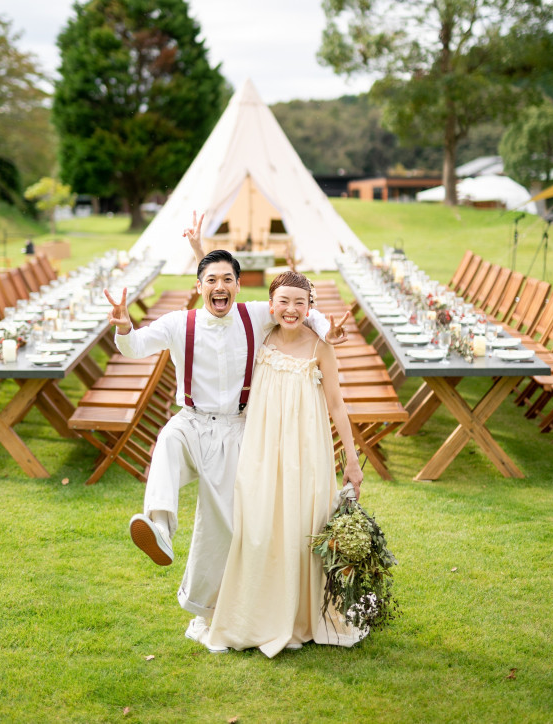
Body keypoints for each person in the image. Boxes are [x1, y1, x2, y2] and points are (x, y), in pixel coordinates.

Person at [104, 239, 349, 650]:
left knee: (223, 527)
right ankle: (160, 528)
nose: (220, 285)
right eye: (212, 279)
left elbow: (303, 309)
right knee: (165, 442)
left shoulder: (254, 315)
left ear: (238, 286)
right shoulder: (177, 324)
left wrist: (326, 329)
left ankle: (214, 608)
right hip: (191, 421)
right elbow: (135, 347)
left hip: (236, 430)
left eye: (228, 279)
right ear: (199, 285)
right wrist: (123, 324)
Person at [206, 270, 365, 657]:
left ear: (311, 307)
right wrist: (201, 256)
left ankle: (301, 615)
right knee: (258, 525)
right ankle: (253, 615)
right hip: (261, 448)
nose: (291, 309)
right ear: (272, 304)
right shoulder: (259, 338)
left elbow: (336, 404)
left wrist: (353, 458)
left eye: (300, 302)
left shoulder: (319, 346)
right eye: (284, 301)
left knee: (302, 524)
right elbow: (218, 299)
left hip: (305, 450)